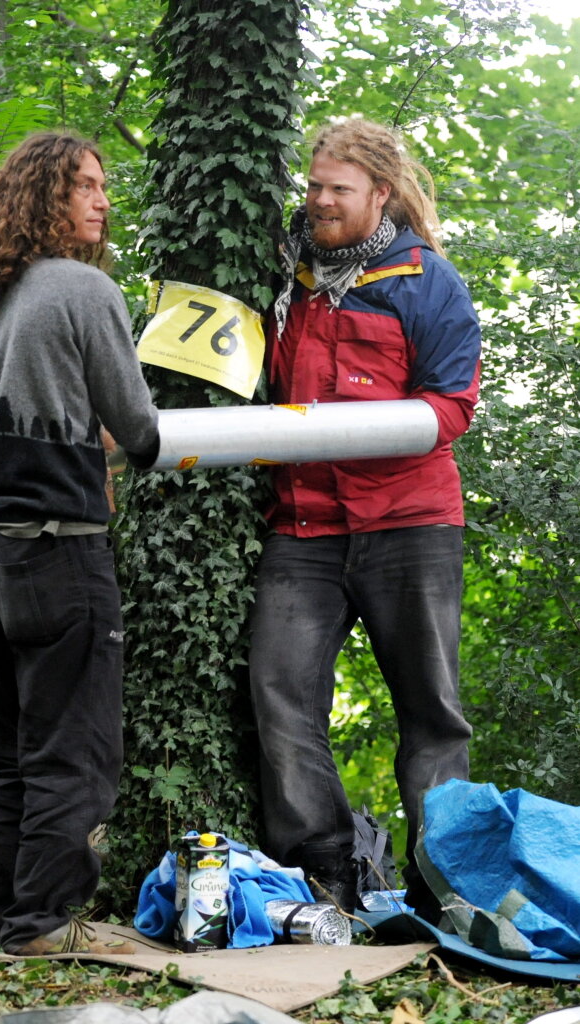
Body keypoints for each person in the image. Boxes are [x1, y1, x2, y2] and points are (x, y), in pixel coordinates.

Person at [0, 132, 160, 955]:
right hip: (61, 551)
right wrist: (98, 431)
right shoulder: (84, 291)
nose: (102, 200)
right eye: (85, 185)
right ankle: (45, 924)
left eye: (103, 186)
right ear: (45, 194)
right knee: (72, 750)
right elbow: (142, 431)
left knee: (7, 750)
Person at [249, 119, 481, 920]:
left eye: (335, 190)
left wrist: (353, 426)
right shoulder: (288, 276)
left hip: (409, 524)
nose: (317, 201)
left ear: (379, 194)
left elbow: (453, 408)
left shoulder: (427, 280)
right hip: (304, 525)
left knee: (430, 711)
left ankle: (441, 887)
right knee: (280, 695)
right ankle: (325, 881)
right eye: (312, 186)